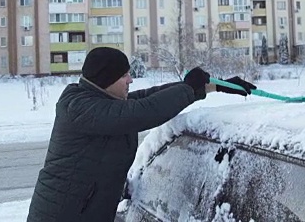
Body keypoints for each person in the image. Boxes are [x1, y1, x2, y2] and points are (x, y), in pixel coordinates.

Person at [26, 47, 257, 222]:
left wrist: (213, 86)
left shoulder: (104, 102)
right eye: (124, 75)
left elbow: (147, 97)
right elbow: (141, 112)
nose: (131, 80)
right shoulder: (78, 107)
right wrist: (187, 88)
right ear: (106, 79)